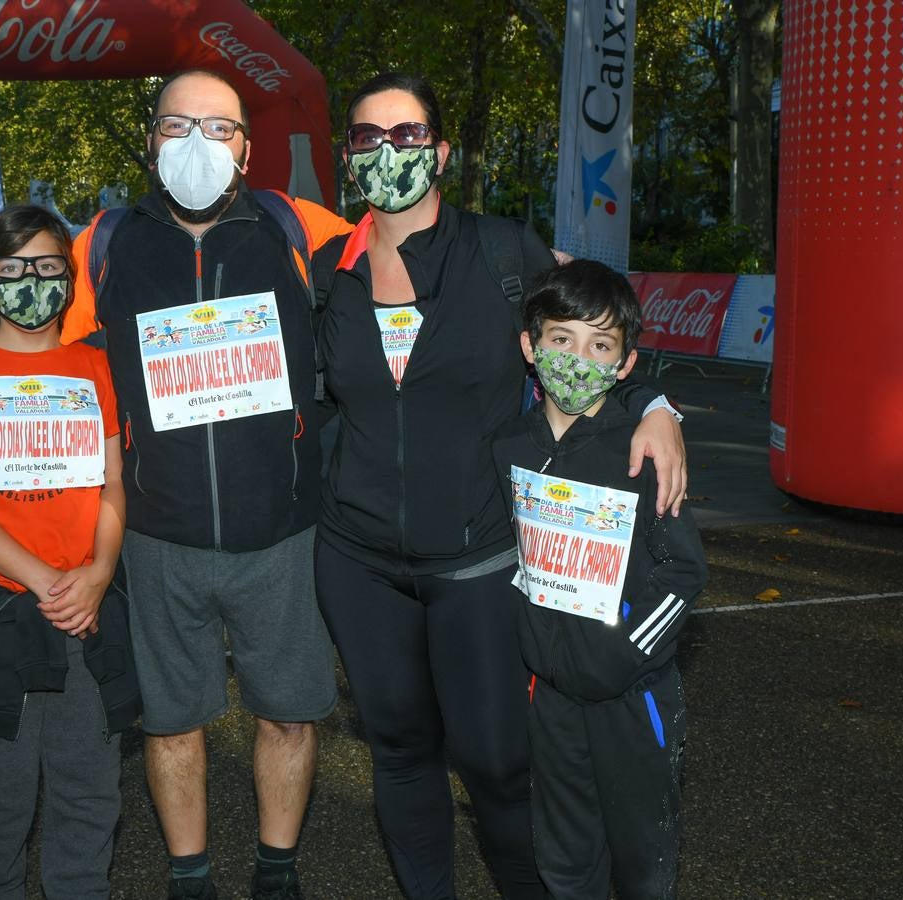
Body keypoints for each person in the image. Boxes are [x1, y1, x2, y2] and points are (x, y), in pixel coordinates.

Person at [0, 69, 354, 900]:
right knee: (172, 723)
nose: (197, 145)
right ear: (149, 139)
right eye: (177, 126)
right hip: (158, 537)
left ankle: (277, 870)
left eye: (219, 127)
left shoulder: (298, 225)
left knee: (290, 713)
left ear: (247, 145)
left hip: (281, 530)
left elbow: (403, 264)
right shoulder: (105, 240)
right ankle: (191, 876)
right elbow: (28, 320)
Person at [310, 73, 688, 899]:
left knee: (495, 762)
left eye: (407, 135)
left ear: (442, 152)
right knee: (400, 748)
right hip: (356, 560)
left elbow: (595, 328)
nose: (388, 152)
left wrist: (653, 400)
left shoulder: (502, 250)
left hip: (479, 561)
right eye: (368, 137)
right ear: (348, 154)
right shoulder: (325, 271)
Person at [0, 204, 140, 898]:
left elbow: (114, 485)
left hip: (88, 611)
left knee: (89, 795)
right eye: (12, 268)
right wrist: (49, 581)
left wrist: (100, 573)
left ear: (69, 279)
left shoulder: (95, 368)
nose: (30, 281)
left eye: (47, 267)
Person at [492, 260, 706, 899]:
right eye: (562, 339)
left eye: (601, 344)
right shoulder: (510, 446)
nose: (578, 358)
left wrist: (623, 655)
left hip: (629, 701)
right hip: (551, 698)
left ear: (625, 364)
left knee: (641, 862)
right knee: (564, 857)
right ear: (531, 347)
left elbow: (683, 572)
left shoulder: (640, 451)